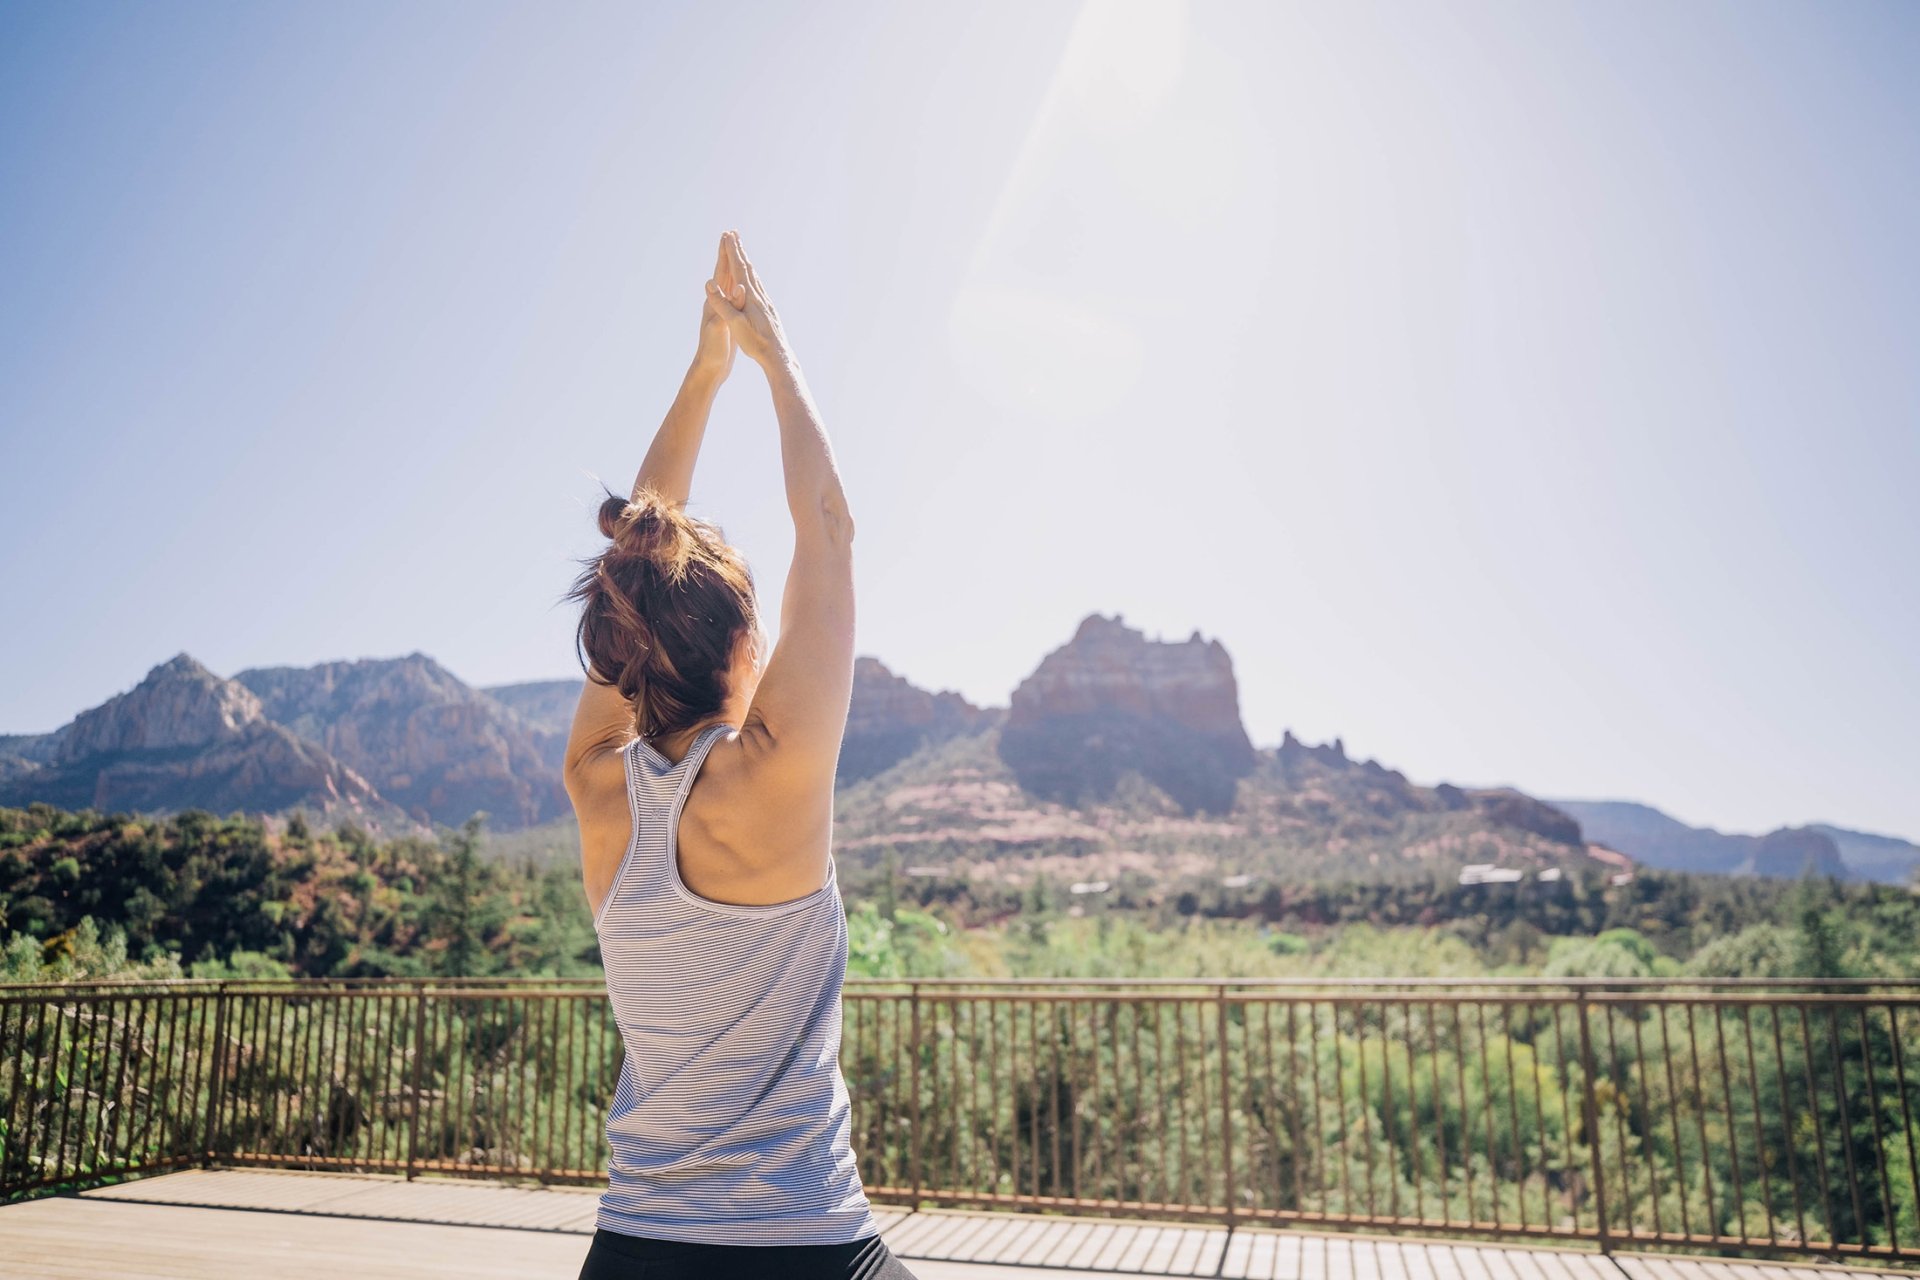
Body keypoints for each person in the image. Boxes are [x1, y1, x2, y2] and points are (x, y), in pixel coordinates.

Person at [562, 231, 918, 1280]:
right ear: (749, 648)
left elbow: (643, 564)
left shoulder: (594, 791)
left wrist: (704, 372)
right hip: (802, 1247)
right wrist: (770, 353)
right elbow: (832, 530)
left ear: (626, 650)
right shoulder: (773, 776)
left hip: (632, 1251)